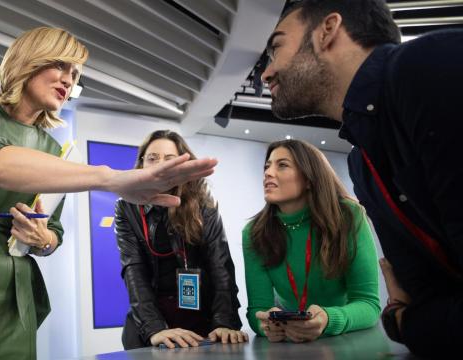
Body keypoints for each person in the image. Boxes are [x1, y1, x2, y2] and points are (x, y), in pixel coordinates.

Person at [0, 28, 217, 360]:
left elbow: (54, 235)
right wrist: (109, 178)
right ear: (28, 60)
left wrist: (41, 238)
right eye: (61, 65)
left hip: (11, 297)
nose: (69, 79)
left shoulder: (54, 149)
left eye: (76, 74)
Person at [260, 0, 463, 356]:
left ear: (327, 30)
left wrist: (408, 323)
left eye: (277, 46)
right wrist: (413, 319)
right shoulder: (363, 165)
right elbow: (421, 295)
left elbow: (410, 314)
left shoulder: (431, 66)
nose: (266, 72)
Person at [115, 130, 247, 349]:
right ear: (140, 165)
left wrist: (225, 322)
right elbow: (133, 269)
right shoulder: (126, 206)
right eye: (152, 158)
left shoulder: (203, 202)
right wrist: (154, 328)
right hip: (152, 320)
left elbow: (220, 265)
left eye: (170, 159)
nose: (160, 165)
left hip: (201, 320)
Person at [243, 139, 380, 343]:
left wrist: (329, 319)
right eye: (267, 166)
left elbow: (368, 304)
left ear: (309, 179)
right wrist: (266, 325)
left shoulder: (349, 215)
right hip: (289, 344)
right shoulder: (253, 232)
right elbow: (258, 310)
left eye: (282, 165)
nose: (268, 173)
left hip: (346, 342)